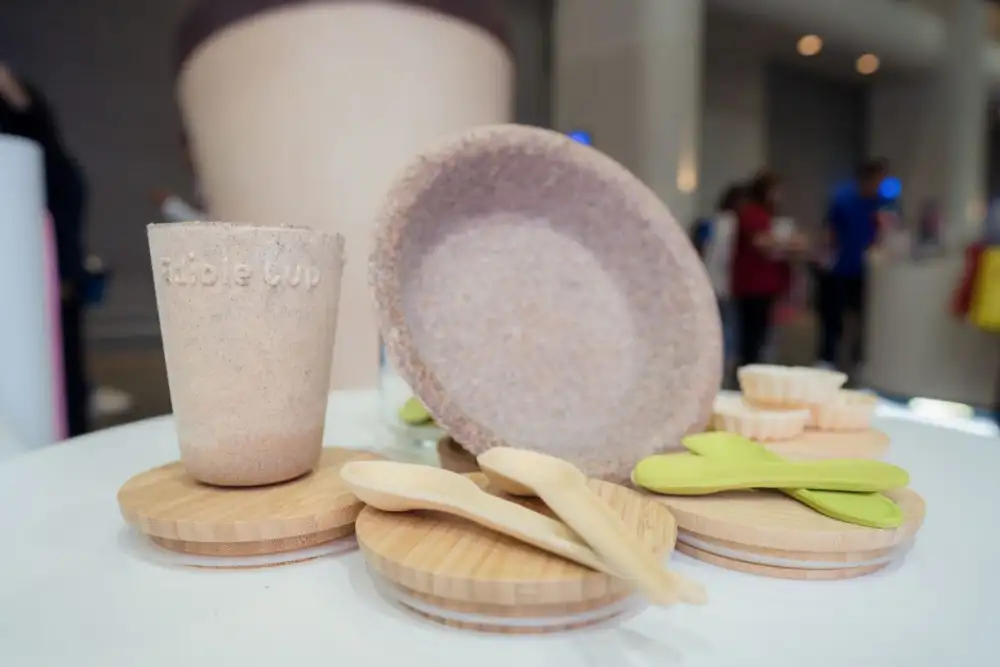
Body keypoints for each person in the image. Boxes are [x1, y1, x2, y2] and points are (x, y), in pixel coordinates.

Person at [0, 65, 90, 436]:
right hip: (41, 277)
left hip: (47, 279)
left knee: (57, 379)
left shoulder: (38, 162)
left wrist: (65, 272)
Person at [816, 159, 889, 373]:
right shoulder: (843, 199)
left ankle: (858, 358)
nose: (879, 185)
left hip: (865, 270)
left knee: (863, 318)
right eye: (877, 180)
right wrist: (825, 256)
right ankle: (827, 357)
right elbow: (829, 231)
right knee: (833, 316)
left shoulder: (880, 203)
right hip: (839, 267)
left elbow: (886, 231)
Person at [731, 171, 806, 365]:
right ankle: (747, 366)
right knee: (751, 332)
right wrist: (788, 242)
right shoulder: (751, 214)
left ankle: (755, 363)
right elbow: (760, 242)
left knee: (762, 331)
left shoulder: (767, 215)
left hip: (767, 282)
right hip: (752, 283)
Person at [702, 184, 747, 372]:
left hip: (712, 277)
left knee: (716, 323)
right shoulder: (732, 224)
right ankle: (724, 360)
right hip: (724, 278)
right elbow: (725, 255)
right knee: (727, 324)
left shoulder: (716, 221)